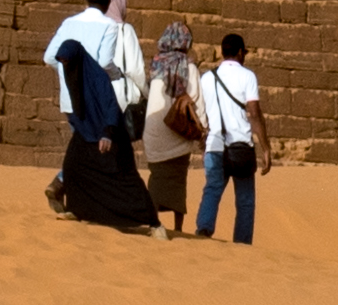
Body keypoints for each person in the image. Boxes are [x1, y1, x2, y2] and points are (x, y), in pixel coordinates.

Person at [40, 0, 144, 218]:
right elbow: (105, 61)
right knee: (96, 149)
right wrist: (114, 74)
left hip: (70, 98)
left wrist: (70, 73)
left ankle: (73, 197)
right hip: (95, 99)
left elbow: (49, 57)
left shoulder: (69, 24)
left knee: (86, 146)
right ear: (108, 1)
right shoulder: (108, 27)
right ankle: (64, 186)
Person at [52, 32, 161, 232]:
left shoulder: (98, 77)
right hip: (86, 131)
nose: (66, 65)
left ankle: (154, 223)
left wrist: (107, 132)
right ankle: (77, 210)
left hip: (109, 133)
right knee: (73, 166)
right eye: (63, 62)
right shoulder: (75, 75)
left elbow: (110, 105)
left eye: (68, 61)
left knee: (124, 180)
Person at [194, 33, 265, 243]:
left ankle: (203, 232)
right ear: (241, 52)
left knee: (212, 190)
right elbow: (254, 112)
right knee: (245, 201)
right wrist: (267, 148)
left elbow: (201, 114)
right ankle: (242, 244)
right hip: (241, 147)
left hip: (214, 146)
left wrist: (202, 140)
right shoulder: (247, 76)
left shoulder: (206, 78)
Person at [140, 22, 202, 236]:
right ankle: (178, 228)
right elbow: (196, 102)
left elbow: (148, 95)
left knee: (157, 177)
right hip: (177, 131)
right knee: (177, 179)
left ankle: (153, 221)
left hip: (153, 131)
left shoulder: (155, 65)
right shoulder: (190, 67)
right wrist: (202, 132)